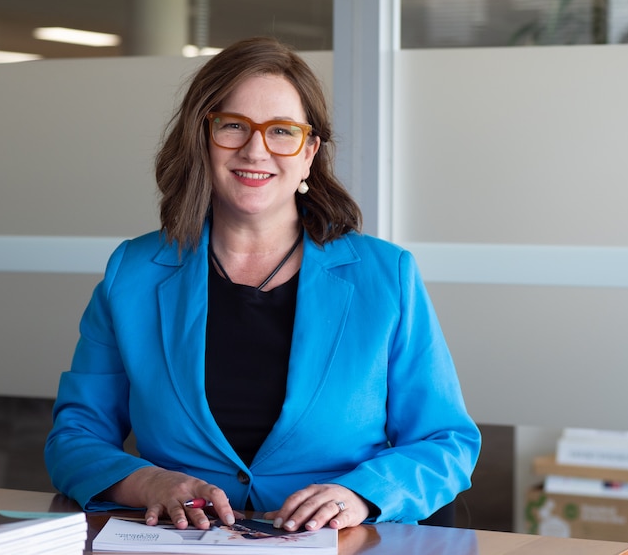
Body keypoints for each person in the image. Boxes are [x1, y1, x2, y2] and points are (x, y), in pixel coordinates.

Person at [44, 36, 481, 533]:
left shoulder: (386, 276)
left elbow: (446, 441)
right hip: (182, 542)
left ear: (309, 153)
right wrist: (148, 483)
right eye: (233, 126)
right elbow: (74, 438)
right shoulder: (134, 271)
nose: (256, 149)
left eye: (281, 131)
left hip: (340, 544)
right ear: (201, 139)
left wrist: (361, 495)